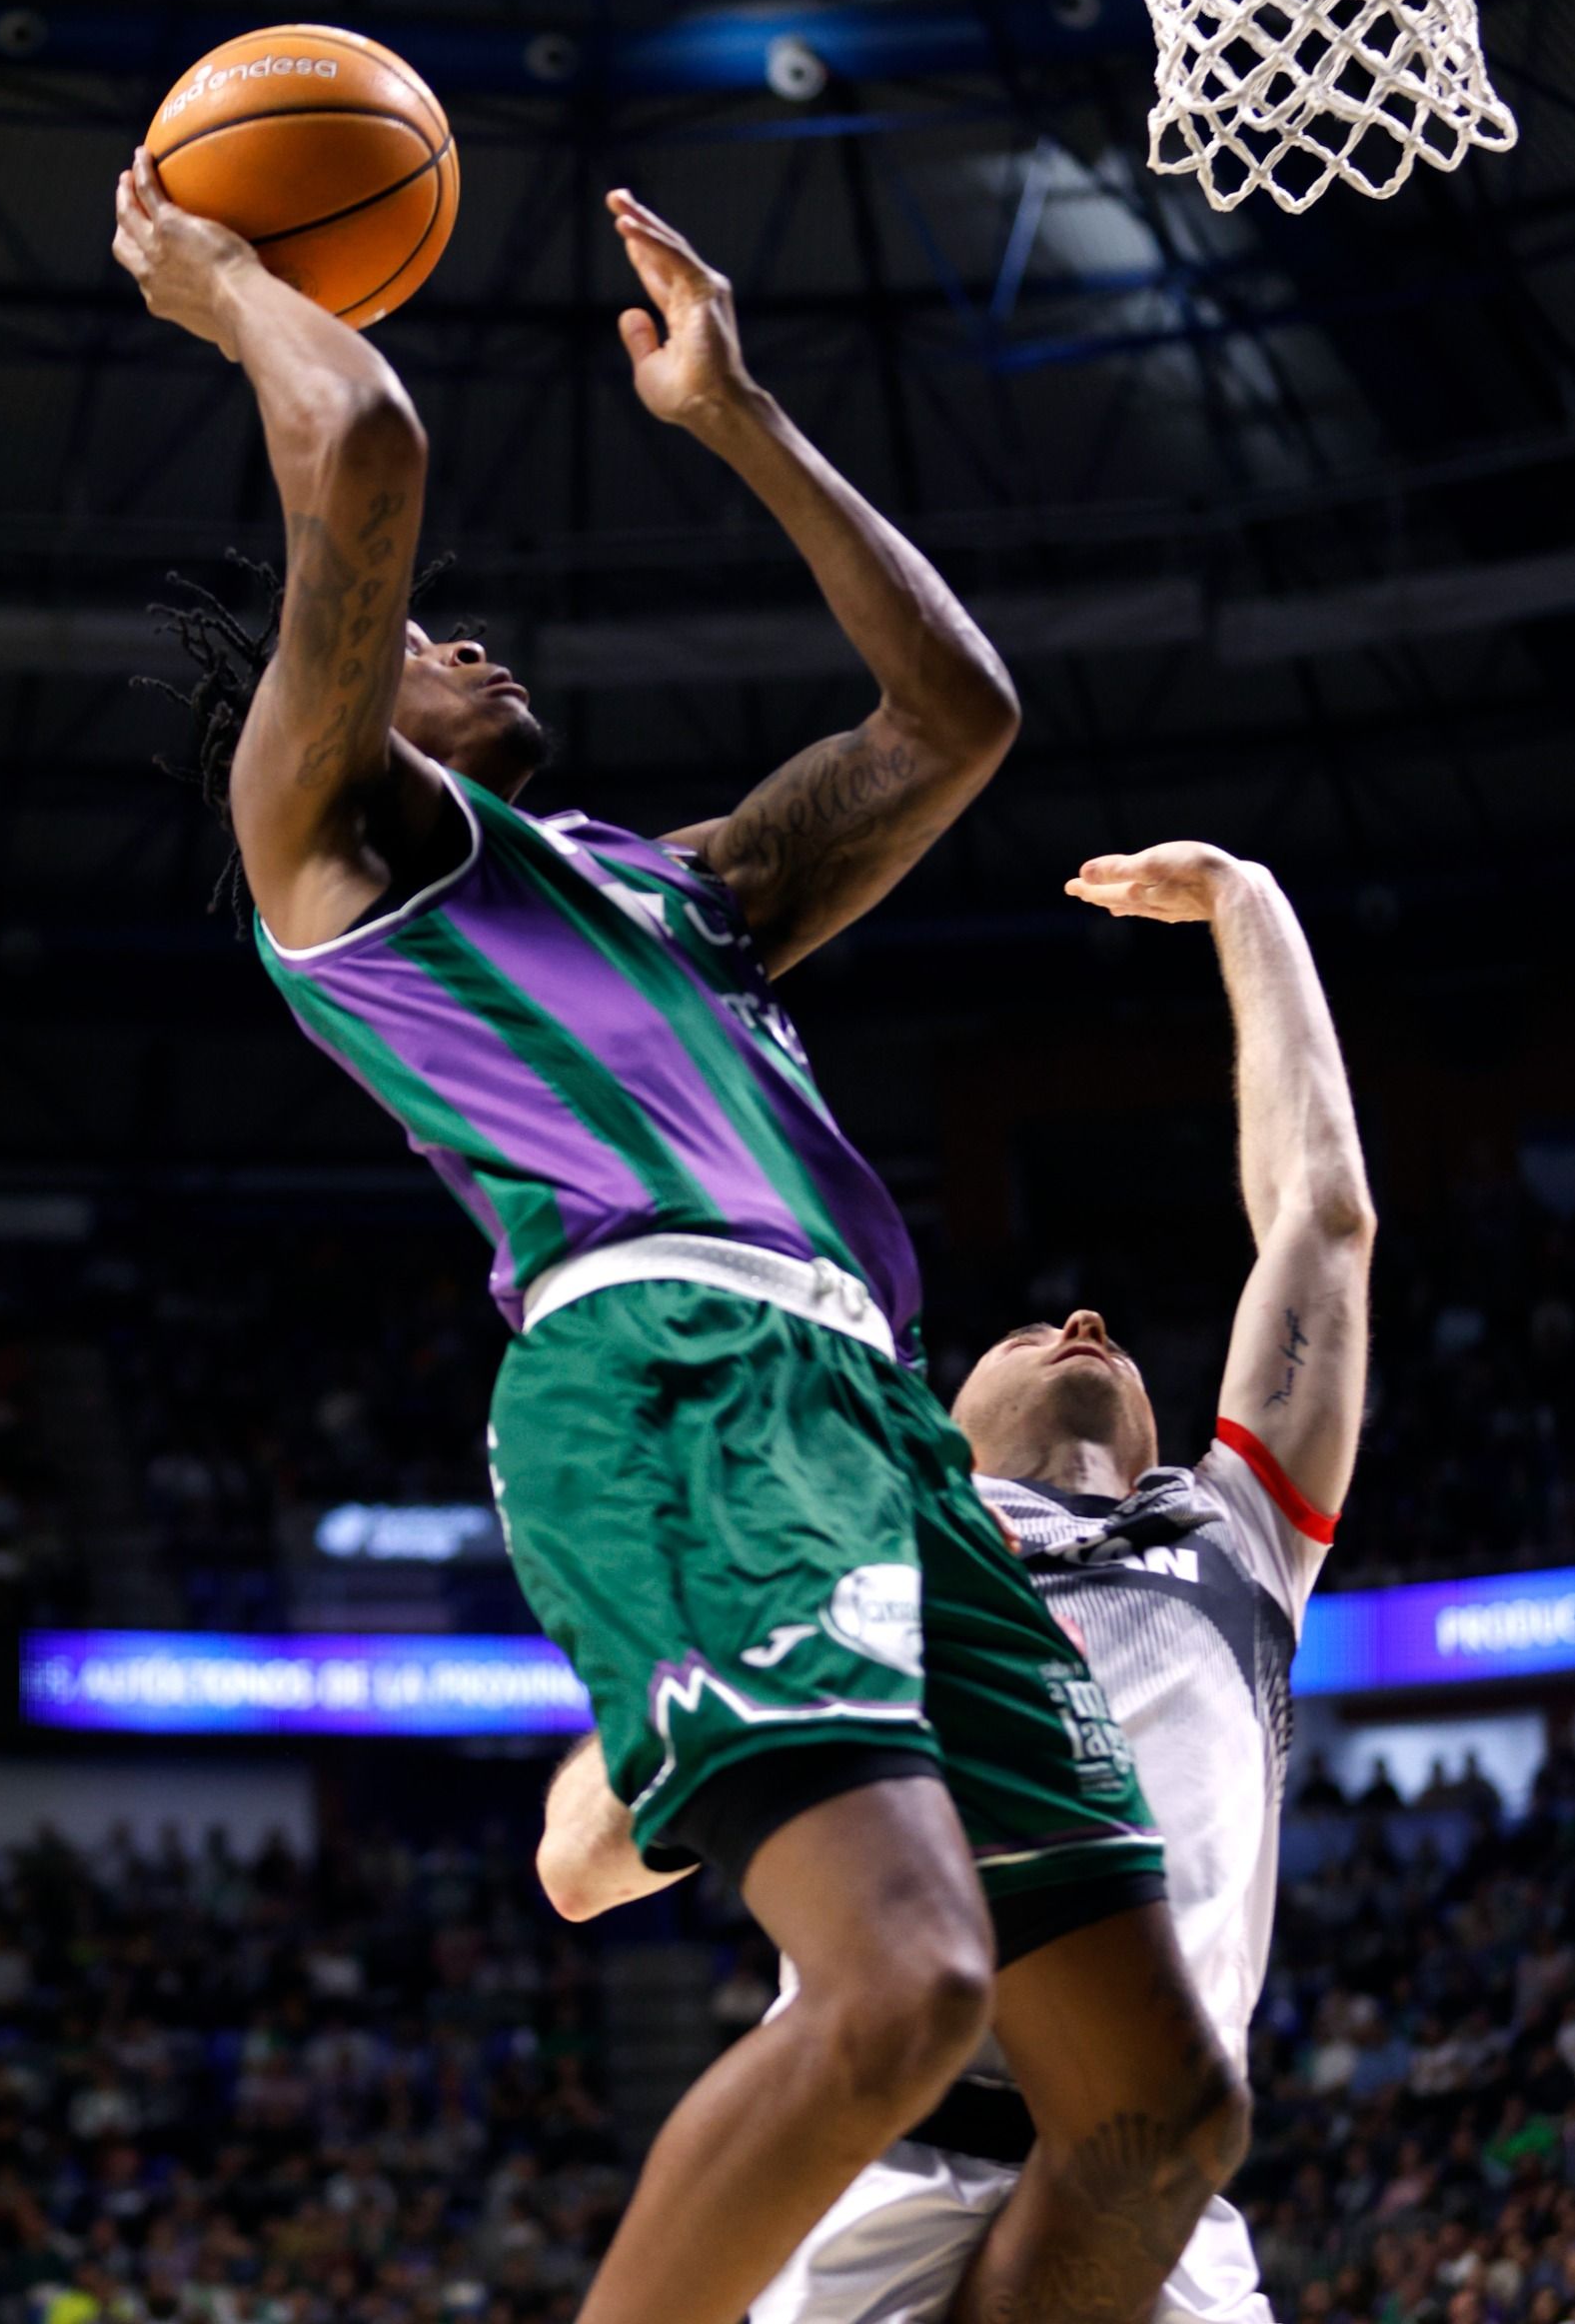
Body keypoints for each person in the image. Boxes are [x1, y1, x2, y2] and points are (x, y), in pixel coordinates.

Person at [112, 159, 1246, 2324]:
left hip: (886, 1428)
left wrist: (741, 416)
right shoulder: (329, 842)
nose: (464, 637)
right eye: (423, 647)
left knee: (1160, 2110)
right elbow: (361, 446)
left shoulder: (667, 885)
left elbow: (958, 717)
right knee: (903, 1983)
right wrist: (230, 280)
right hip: (673, 1371)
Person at [541, 840, 1373, 2324]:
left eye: (1106, 1329)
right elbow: (580, 1871)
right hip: (879, 2167)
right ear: (937, 1421)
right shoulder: (852, 1539)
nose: (1083, 1315)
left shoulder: (1237, 1535)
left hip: (1142, 2187)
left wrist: (1248, 899)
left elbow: (1319, 1219)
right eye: (1026, 1327)